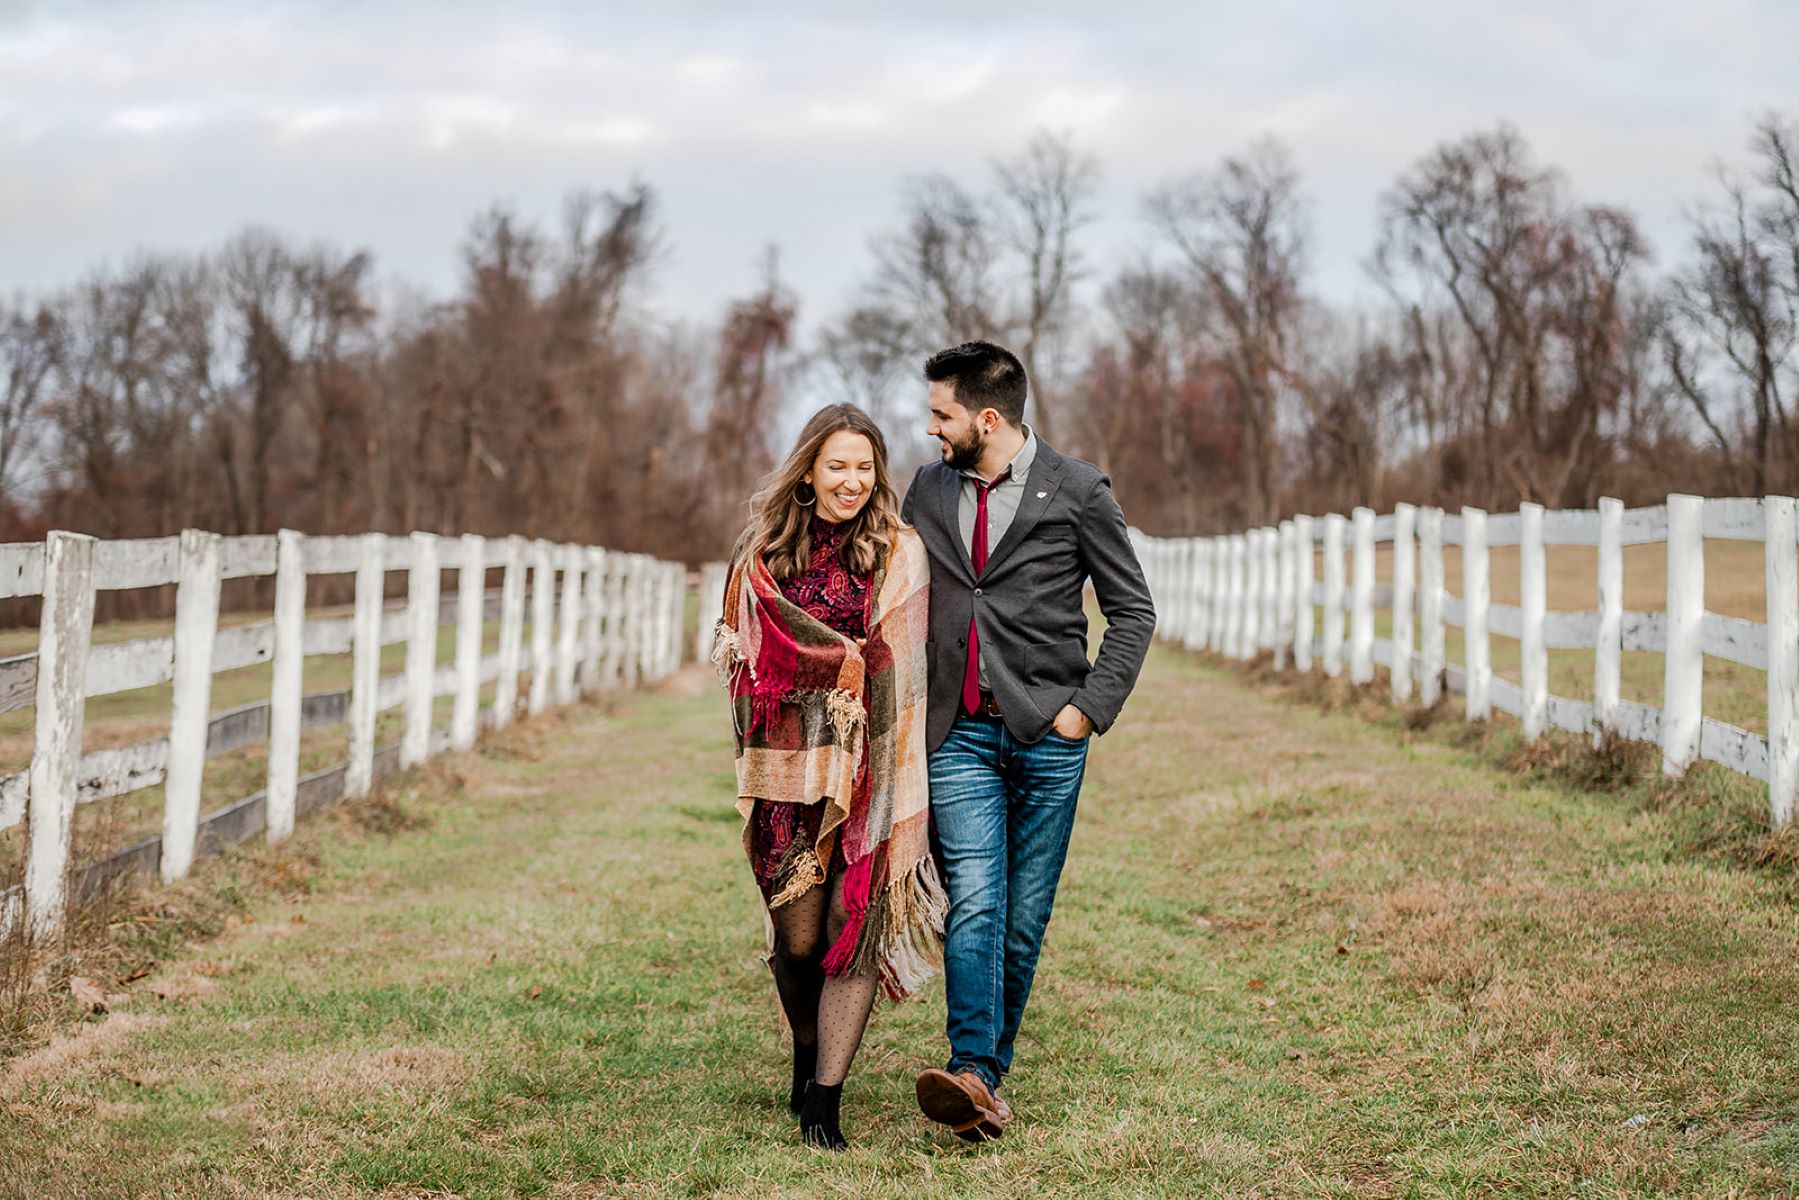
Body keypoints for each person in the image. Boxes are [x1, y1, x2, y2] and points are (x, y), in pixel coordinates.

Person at [900, 341, 1155, 1141]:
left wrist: (1085, 711)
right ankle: (972, 1066)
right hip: (957, 736)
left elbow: (1132, 611)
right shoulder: (925, 489)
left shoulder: (1078, 491)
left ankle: (982, 1084)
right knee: (974, 900)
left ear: (985, 417)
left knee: (1021, 917)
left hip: (1048, 737)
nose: (930, 427)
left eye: (941, 414)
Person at [712, 403, 945, 1150]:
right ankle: (805, 1049)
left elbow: (901, 668)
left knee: (855, 930)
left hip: (875, 768)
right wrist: (828, 665)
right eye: (837, 465)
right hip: (787, 773)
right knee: (799, 944)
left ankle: (825, 1102)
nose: (851, 481)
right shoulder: (762, 556)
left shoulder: (897, 552)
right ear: (808, 469)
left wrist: (850, 671)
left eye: (864, 467)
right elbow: (742, 655)